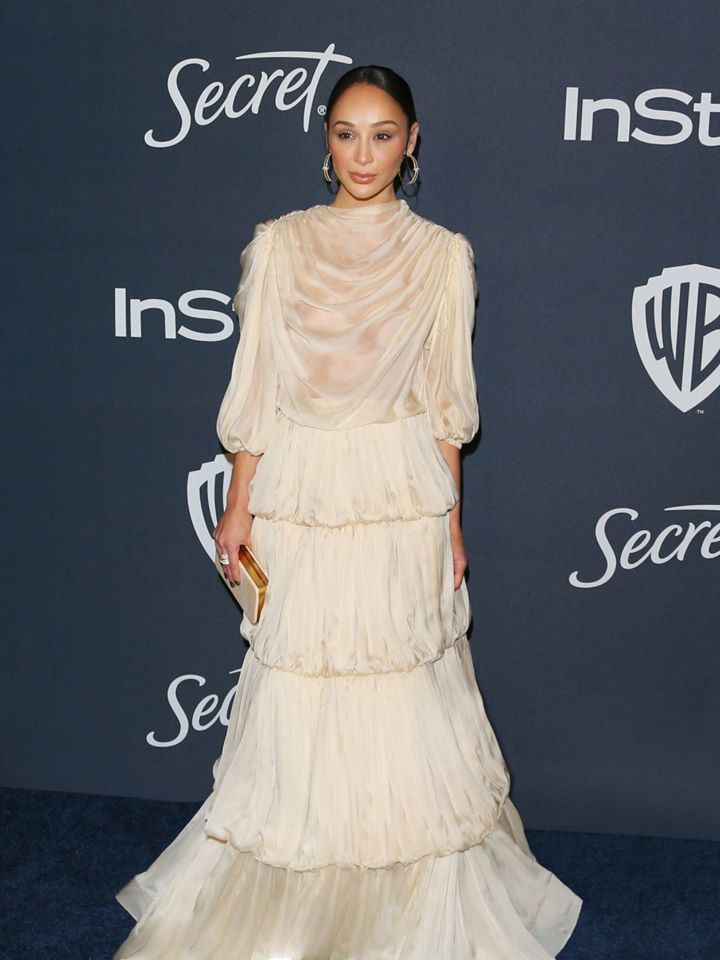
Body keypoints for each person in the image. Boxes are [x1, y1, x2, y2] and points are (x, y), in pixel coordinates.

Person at [113, 64, 583, 959]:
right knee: (304, 684)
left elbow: (445, 405)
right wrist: (239, 505)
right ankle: (299, 892)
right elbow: (257, 386)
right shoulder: (280, 246)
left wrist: (449, 524)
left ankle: (406, 902)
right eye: (345, 133)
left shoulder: (442, 256)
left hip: (400, 497)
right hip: (303, 492)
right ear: (324, 141)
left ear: (412, 142)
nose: (363, 154)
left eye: (382, 134)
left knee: (402, 684)